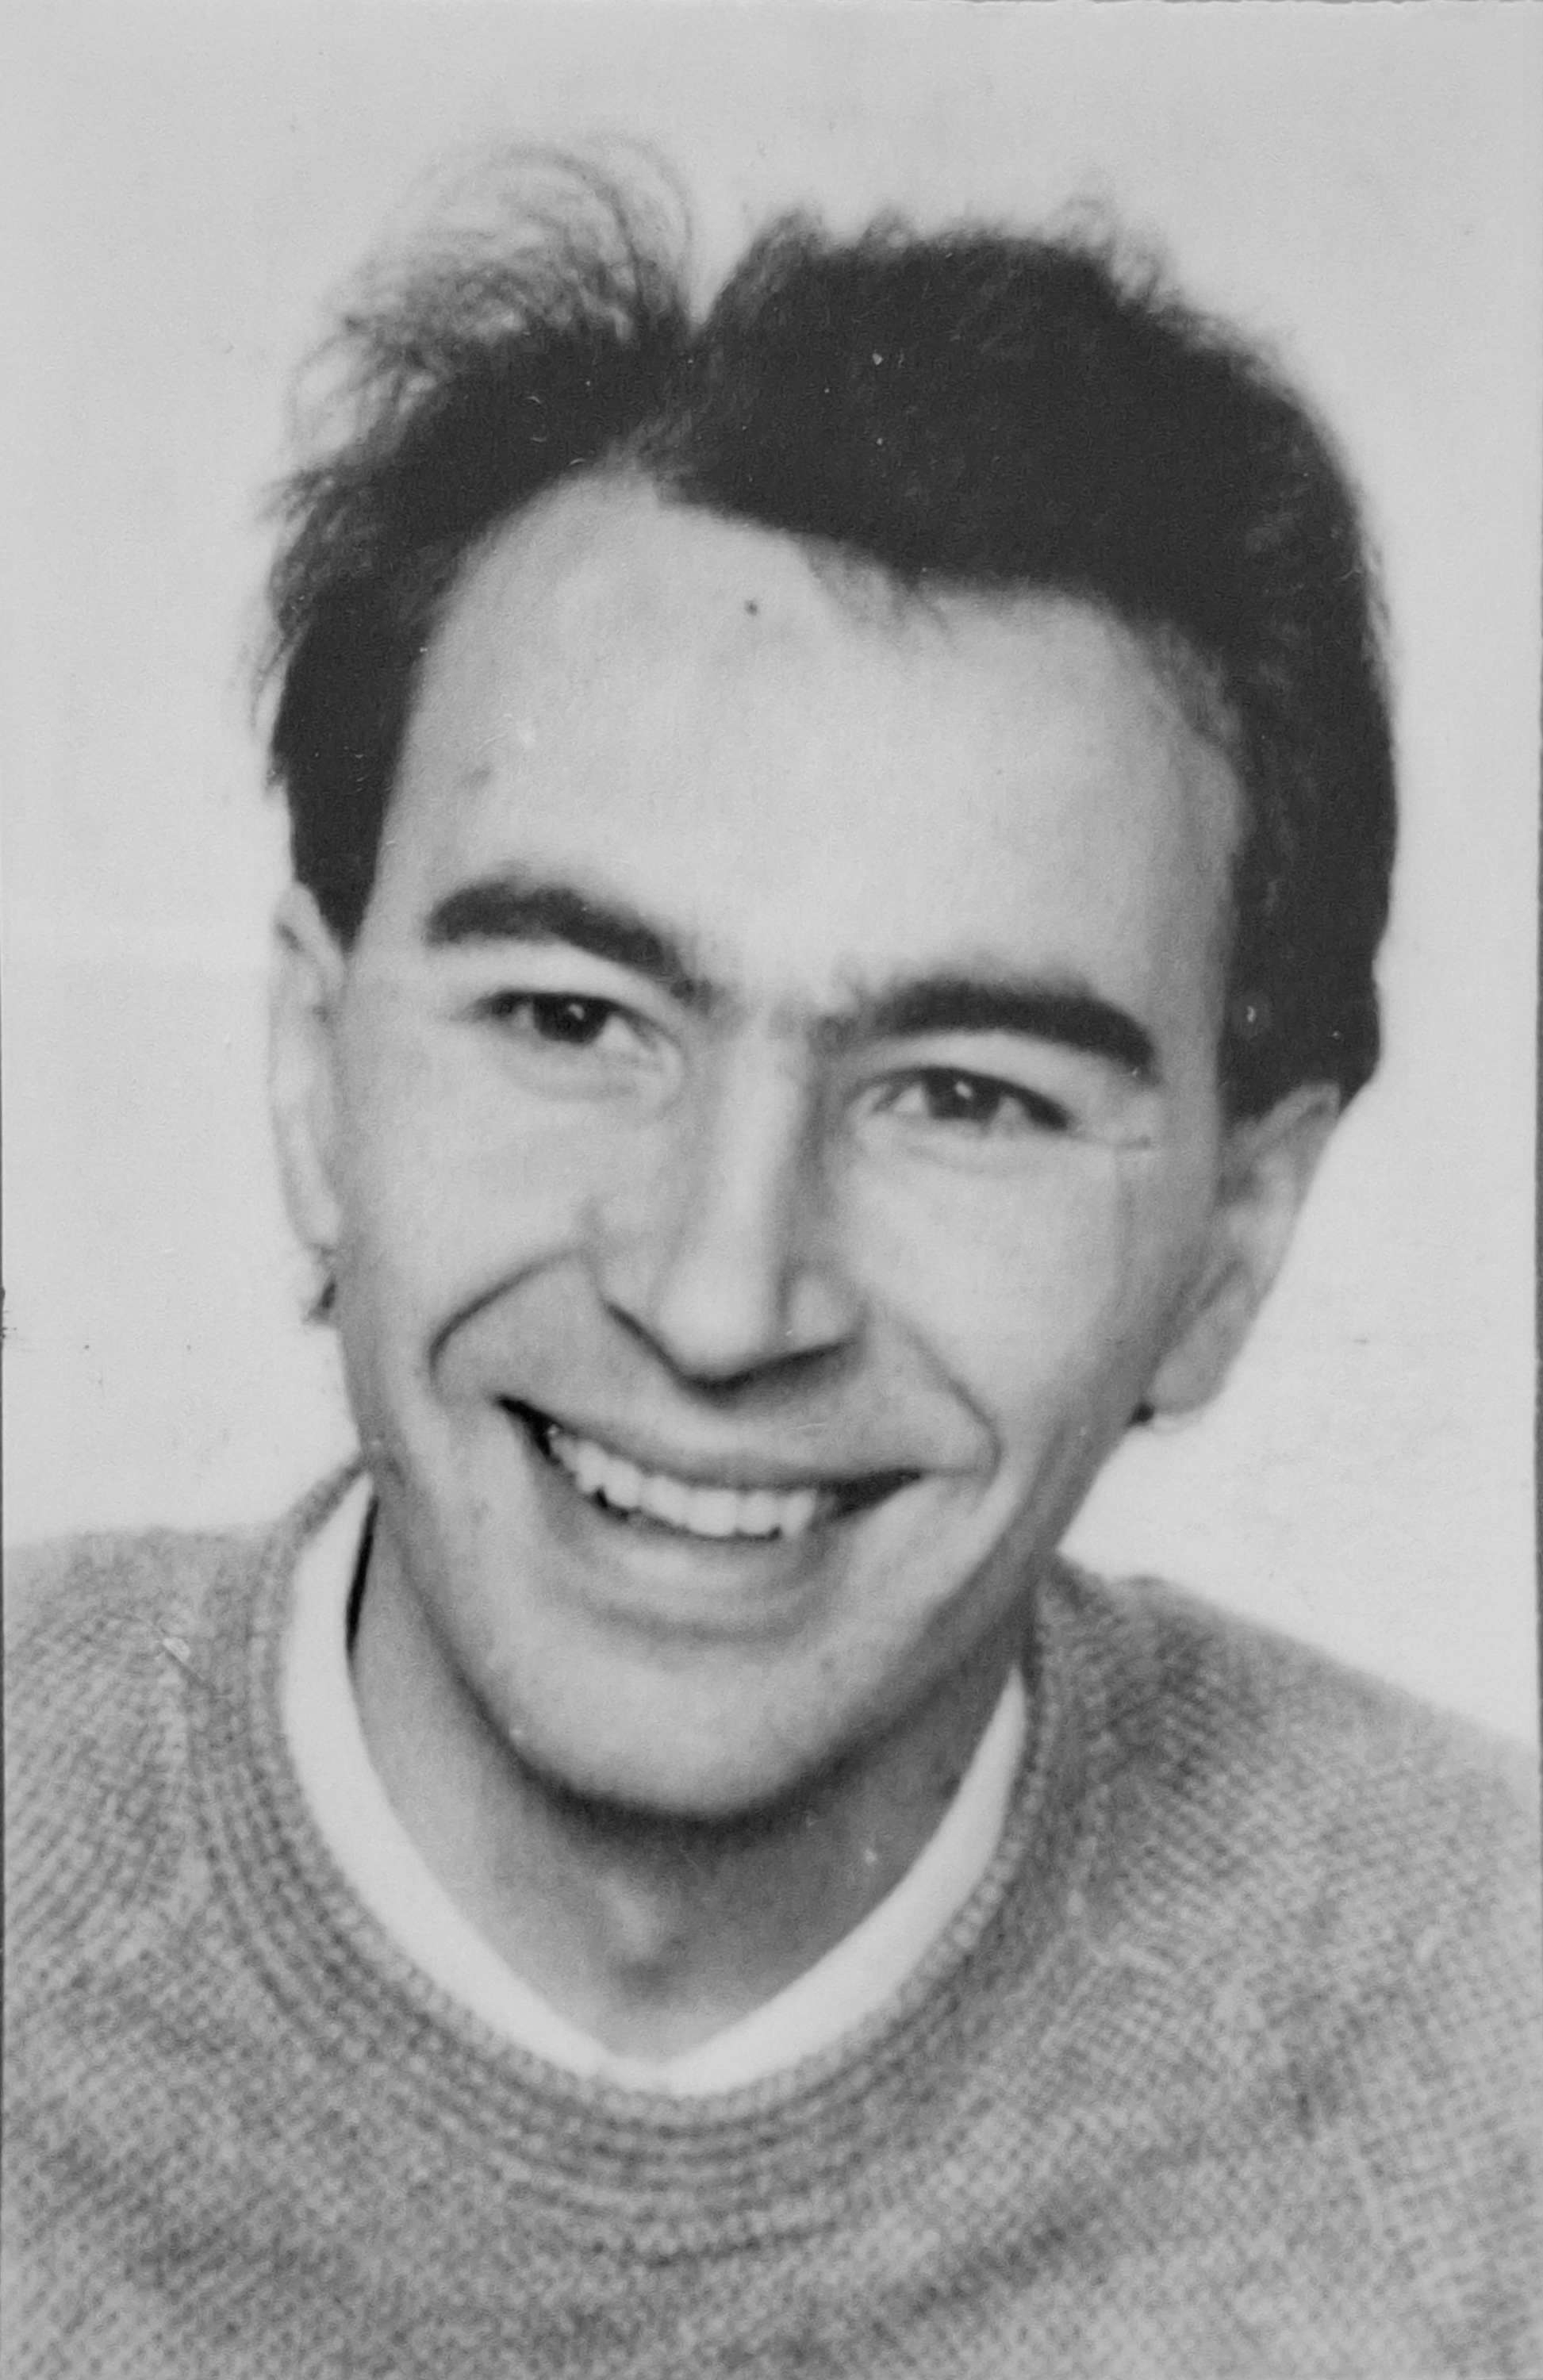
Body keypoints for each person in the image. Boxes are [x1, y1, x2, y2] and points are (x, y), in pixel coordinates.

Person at [6, 155, 1540, 2377]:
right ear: (316, 1078)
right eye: (570, 1019)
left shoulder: (1490, 2068)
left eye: (965, 1095)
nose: (721, 1302)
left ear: (1233, 1242)